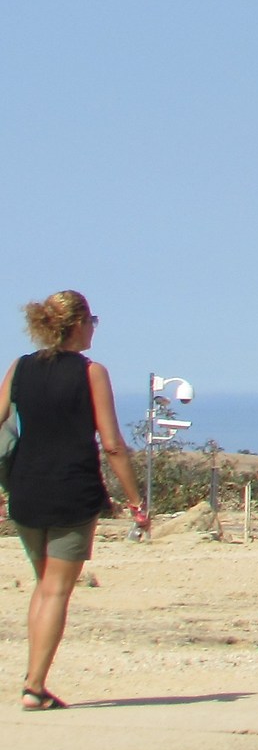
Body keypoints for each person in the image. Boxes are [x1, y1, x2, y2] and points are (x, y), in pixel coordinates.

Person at [2, 291, 146, 710]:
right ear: (78, 324)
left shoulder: (20, 368)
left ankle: (34, 681)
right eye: (92, 322)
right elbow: (113, 445)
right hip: (72, 490)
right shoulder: (91, 372)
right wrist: (136, 501)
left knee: (44, 585)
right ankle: (34, 687)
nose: (93, 330)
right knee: (57, 591)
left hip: (26, 489)